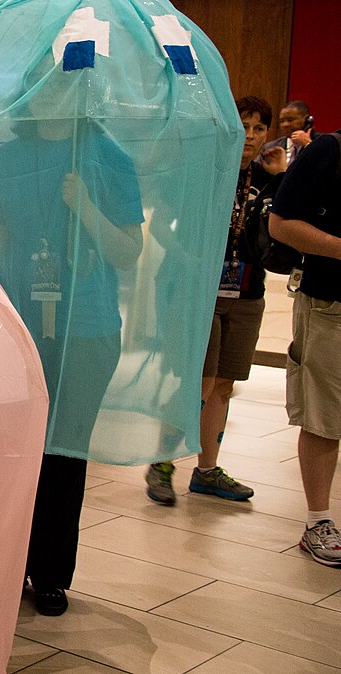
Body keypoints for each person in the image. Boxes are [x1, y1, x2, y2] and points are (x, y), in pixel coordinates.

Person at [0, 116, 144, 616]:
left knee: (65, 453)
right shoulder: (8, 158)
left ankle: (50, 572)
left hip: (87, 329)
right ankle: (8, 563)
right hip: (19, 326)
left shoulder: (107, 156)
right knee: (15, 449)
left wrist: (87, 210)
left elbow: (128, 253)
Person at [146, 97, 288, 506]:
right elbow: (160, 225)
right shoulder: (203, 171)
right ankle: (162, 463)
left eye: (259, 128)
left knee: (225, 383)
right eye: (244, 125)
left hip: (247, 292)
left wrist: (281, 176)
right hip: (198, 291)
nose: (251, 136)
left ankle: (207, 470)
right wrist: (188, 259)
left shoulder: (268, 179)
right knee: (197, 382)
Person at [269, 131, 341, 568]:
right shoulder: (329, 150)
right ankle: (318, 521)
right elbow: (280, 223)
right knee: (323, 417)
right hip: (330, 307)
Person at [263, 100, 320, 167]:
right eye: (282, 121)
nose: (285, 124)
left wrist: (308, 144)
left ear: (307, 120)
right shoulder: (270, 147)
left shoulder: (322, 141)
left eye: (290, 120)